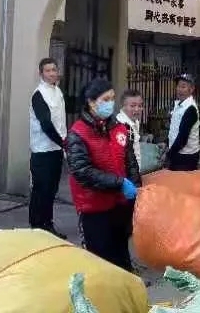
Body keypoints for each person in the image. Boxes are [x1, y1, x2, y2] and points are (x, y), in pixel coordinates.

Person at [65, 78, 141, 271]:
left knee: (121, 255)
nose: (111, 103)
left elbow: (129, 160)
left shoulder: (119, 128)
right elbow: (83, 172)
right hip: (94, 208)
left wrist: (135, 185)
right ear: (91, 102)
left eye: (112, 98)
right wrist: (119, 183)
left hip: (120, 205)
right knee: (99, 261)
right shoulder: (78, 133)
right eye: (105, 99)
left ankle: (124, 293)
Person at [29, 57, 67, 239]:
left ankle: (47, 224)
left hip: (56, 151)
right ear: (41, 73)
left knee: (51, 190)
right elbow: (45, 123)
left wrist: (63, 144)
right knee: (41, 190)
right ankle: (37, 226)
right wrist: (62, 142)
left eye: (54, 69)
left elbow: (60, 121)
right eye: (48, 70)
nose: (52, 73)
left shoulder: (57, 91)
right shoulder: (39, 95)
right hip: (42, 151)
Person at [164, 73, 200, 171]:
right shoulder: (179, 105)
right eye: (178, 86)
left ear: (191, 89)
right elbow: (174, 129)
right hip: (178, 153)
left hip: (186, 157)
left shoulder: (190, 109)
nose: (179, 89)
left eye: (183, 86)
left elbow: (182, 138)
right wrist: (167, 144)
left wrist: (169, 155)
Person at [116, 89, 144, 168]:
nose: (137, 109)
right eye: (132, 106)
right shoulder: (121, 125)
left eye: (140, 106)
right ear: (123, 106)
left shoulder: (134, 121)